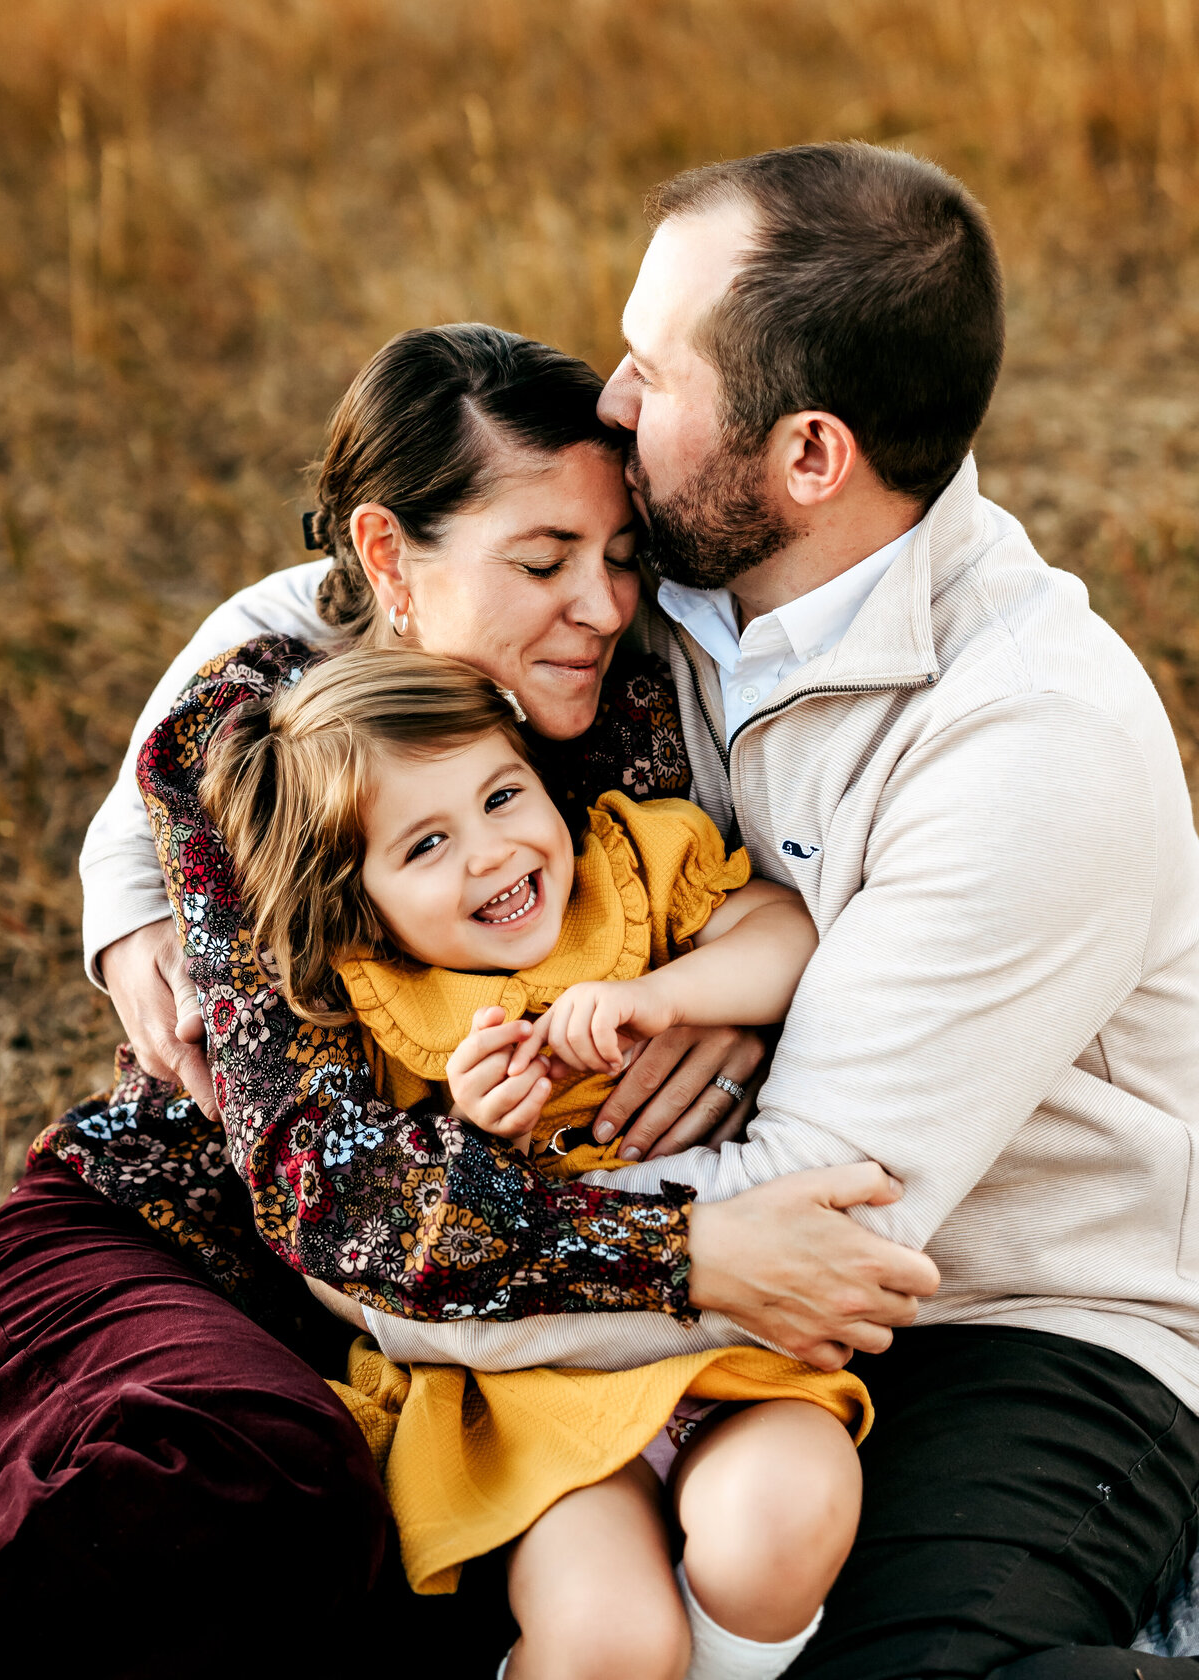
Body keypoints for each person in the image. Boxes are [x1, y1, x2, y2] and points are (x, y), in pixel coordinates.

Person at [0, 322, 933, 1675]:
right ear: (386, 557)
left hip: (469, 1328)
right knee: (243, 1479)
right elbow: (329, 1190)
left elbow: (727, 911)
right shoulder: (266, 743)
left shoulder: (616, 697)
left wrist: (716, 1007)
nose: (605, 609)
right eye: (544, 564)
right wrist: (689, 1257)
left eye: (621, 560)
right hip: (198, 1248)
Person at [588, 142, 1199, 1676]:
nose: (608, 400)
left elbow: (821, 1209)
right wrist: (135, 875)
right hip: (700, 1265)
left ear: (809, 457)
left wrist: (412, 1236)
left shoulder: (1038, 735)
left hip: (1026, 1322)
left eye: (654, 373)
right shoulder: (664, 555)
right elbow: (366, 581)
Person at [199, 643, 871, 1680]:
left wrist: (668, 996)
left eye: (503, 793)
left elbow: (785, 933)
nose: (491, 853)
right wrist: (473, 1134)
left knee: (783, 1516)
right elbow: (388, 1218)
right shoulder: (383, 1007)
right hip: (538, 1390)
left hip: (731, 1361)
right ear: (361, 898)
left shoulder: (634, 869)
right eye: (425, 844)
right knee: (612, 1637)